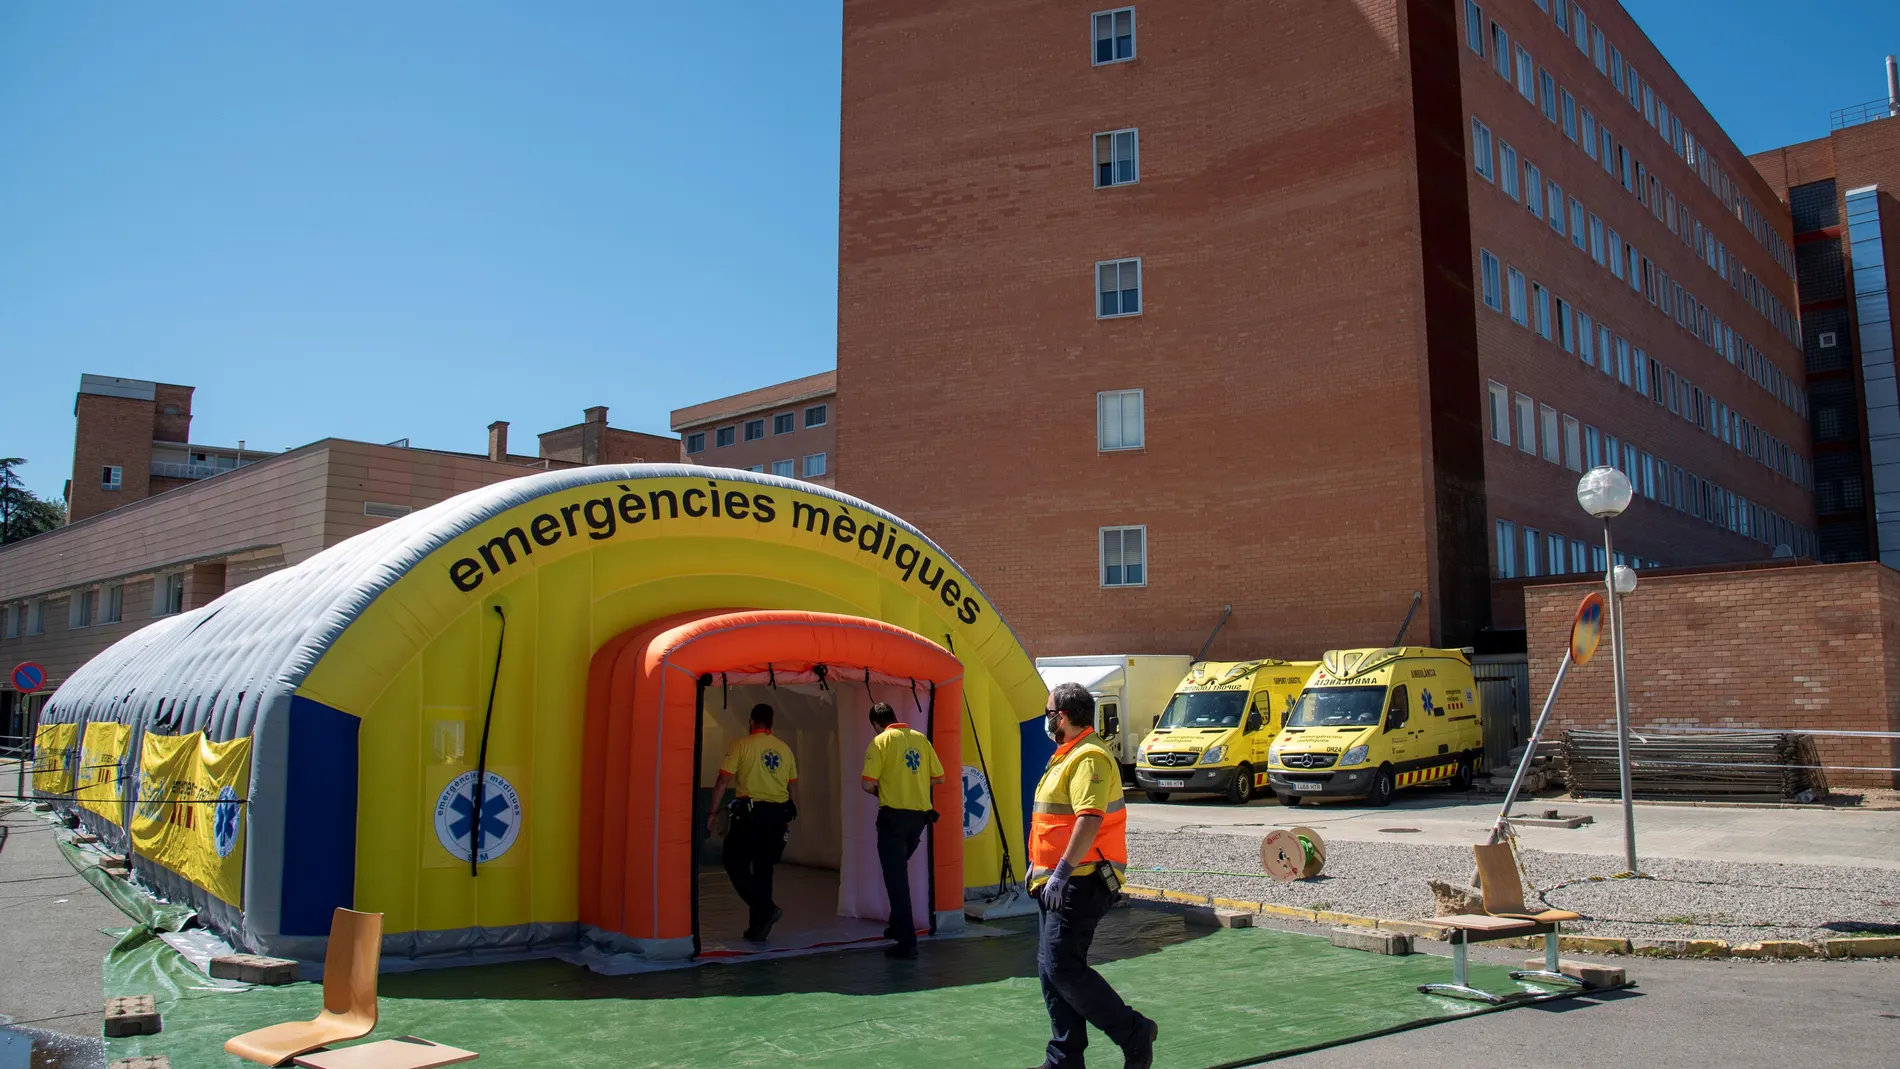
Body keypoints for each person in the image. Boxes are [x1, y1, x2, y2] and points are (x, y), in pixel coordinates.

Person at [1027, 682, 1156, 1069]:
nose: (1046, 719)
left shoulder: (1088, 758)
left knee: (1063, 967)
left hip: (1080, 881)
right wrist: (1041, 866)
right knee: (1052, 971)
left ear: (1062, 717)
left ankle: (1133, 1031)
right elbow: (1055, 820)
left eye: (1049, 713)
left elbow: (1088, 820)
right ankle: (1065, 1058)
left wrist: (1061, 872)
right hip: (1057, 881)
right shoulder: (1067, 754)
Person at [706, 703, 798, 942]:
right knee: (764, 870)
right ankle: (758, 927)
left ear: (751, 721)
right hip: (777, 816)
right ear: (771, 723)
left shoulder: (741, 745)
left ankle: (766, 910)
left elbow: (722, 781)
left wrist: (712, 812)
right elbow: (792, 785)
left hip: (750, 815)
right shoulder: (784, 749)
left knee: (734, 862)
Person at [859, 700, 944, 959]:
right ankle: (897, 925)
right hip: (918, 820)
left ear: (876, 724)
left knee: (896, 881)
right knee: (898, 872)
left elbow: (867, 784)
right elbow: (939, 777)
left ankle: (907, 943)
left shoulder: (880, 742)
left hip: (893, 819)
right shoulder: (920, 739)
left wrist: (889, 788)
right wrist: (913, 783)